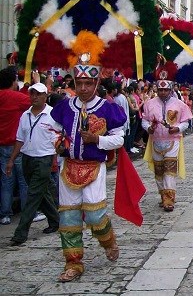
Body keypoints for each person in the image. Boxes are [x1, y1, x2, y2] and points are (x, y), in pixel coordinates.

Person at [50, 55, 127, 282]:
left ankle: (108, 240)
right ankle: (73, 262)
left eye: (88, 84)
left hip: (94, 166)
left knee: (94, 214)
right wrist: (58, 142)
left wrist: (96, 140)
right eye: (79, 83)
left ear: (96, 84)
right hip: (69, 167)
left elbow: (119, 139)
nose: (83, 88)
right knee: (69, 217)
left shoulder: (107, 108)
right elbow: (53, 129)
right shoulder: (65, 106)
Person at [6, 83, 60, 245]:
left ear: (45, 96)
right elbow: (19, 139)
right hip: (27, 158)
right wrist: (11, 160)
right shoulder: (25, 115)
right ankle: (55, 220)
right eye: (32, 94)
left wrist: (54, 158)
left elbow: (58, 139)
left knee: (32, 196)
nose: (34, 97)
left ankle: (20, 233)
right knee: (40, 192)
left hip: (44, 159)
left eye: (38, 94)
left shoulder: (52, 115)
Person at [141, 72, 192, 212]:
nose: (163, 92)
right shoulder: (149, 104)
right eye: (160, 89)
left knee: (169, 170)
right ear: (157, 89)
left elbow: (185, 122)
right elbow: (144, 120)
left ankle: (169, 199)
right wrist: (148, 128)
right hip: (156, 141)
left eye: (166, 90)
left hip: (172, 141)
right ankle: (163, 195)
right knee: (159, 171)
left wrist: (177, 128)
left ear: (171, 90)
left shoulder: (180, 104)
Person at [0, 67, 32, 225]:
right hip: (16, 145)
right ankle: (27, 212)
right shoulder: (16, 97)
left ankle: (5, 214)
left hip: (2, 145)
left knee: (6, 180)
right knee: (23, 179)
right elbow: (34, 101)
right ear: (13, 81)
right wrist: (29, 86)